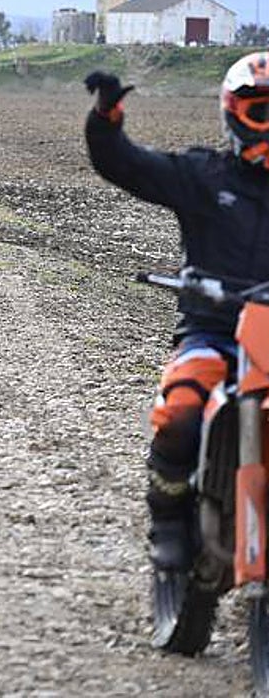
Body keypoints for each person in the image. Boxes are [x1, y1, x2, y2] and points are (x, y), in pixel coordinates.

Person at [84, 53, 269, 572]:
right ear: (234, 113)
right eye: (263, 112)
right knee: (181, 414)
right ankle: (167, 518)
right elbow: (127, 165)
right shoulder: (205, 176)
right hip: (214, 334)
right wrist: (106, 120)